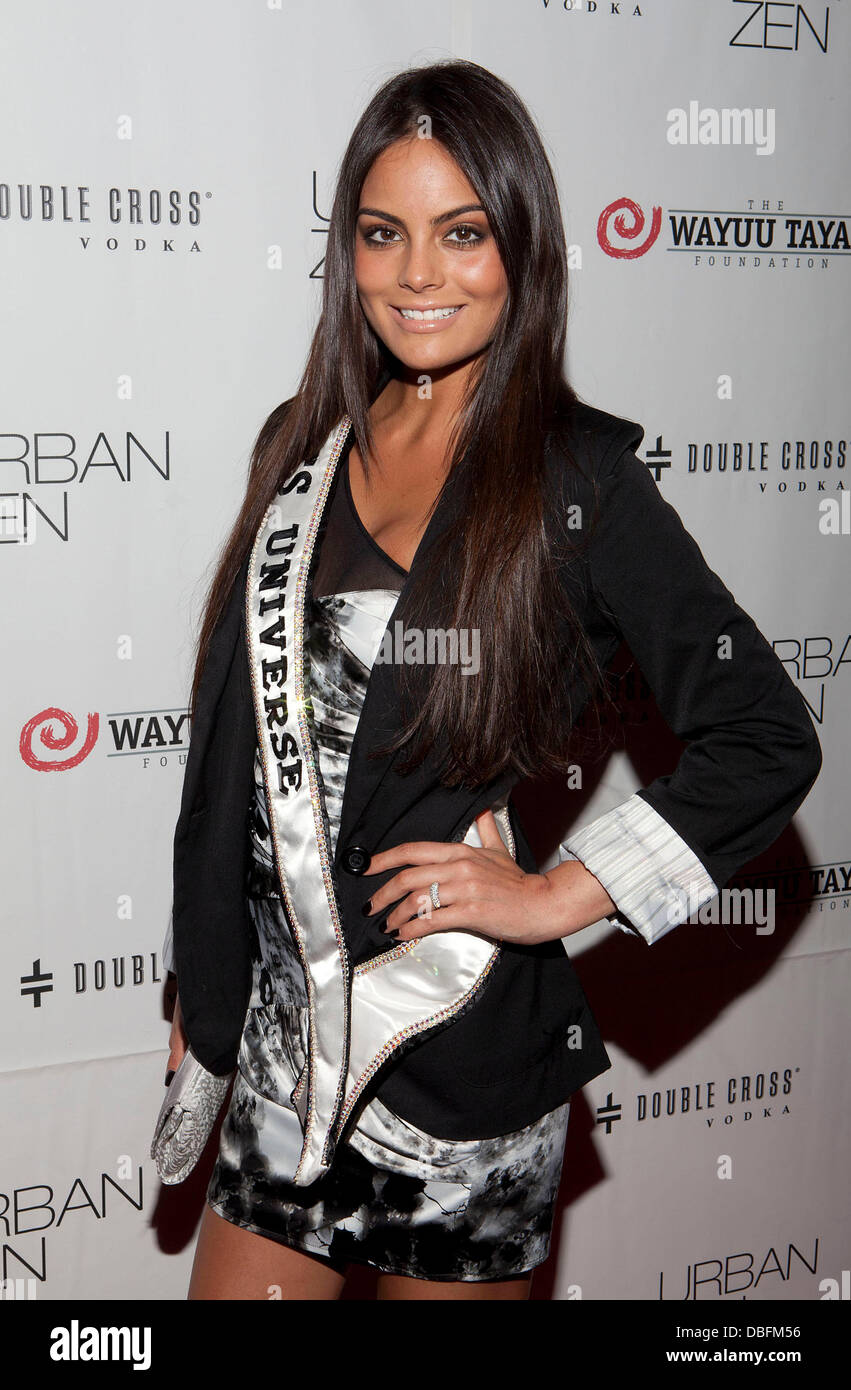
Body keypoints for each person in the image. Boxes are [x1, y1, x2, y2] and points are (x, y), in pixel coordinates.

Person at [161, 59, 822, 1301]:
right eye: (382, 233)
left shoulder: (579, 480)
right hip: (285, 1050)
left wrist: (557, 894)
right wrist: (207, 988)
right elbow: (224, 760)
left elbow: (763, 733)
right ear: (346, 252)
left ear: (521, 246)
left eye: (462, 233)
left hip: (458, 1058)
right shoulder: (295, 447)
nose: (418, 274)